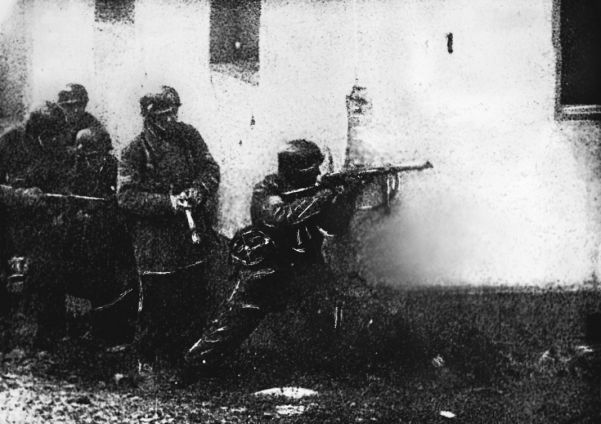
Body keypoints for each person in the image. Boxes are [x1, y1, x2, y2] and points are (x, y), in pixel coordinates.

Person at [185, 139, 361, 374]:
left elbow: (334, 226)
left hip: (305, 265)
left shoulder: (315, 191)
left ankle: (324, 371)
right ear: (296, 170)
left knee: (326, 310)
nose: (318, 173)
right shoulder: (267, 188)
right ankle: (191, 368)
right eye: (312, 168)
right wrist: (324, 195)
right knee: (230, 326)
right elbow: (280, 217)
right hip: (268, 270)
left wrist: (348, 196)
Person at [117, 86, 220, 360]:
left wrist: (198, 190)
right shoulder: (134, 150)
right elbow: (126, 196)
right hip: (155, 241)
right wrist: (169, 203)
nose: (171, 120)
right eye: (163, 115)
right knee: (155, 303)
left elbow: (210, 169)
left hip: (190, 234)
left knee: (193, 297)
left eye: (174, 112)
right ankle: (147, 364)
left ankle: (188, 360)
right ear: (149, 117)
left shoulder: (189, 137)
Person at [0, 102, 71, 348]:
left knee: (50, 266)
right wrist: (19, 195)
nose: (54, 141)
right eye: (49, 136)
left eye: (57, 136)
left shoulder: (56, 146)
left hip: (40, 220)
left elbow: (62, 182)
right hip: (7, 220)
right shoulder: (8, 142)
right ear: (35, 133)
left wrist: (58, 202)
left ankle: (50, 334)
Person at [57, 83, 112, 153]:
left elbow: (106, 143)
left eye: (80, 105)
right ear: (62, 106)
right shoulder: (54, 120)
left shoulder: (90, 121)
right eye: (71, 106)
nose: (76, 110)